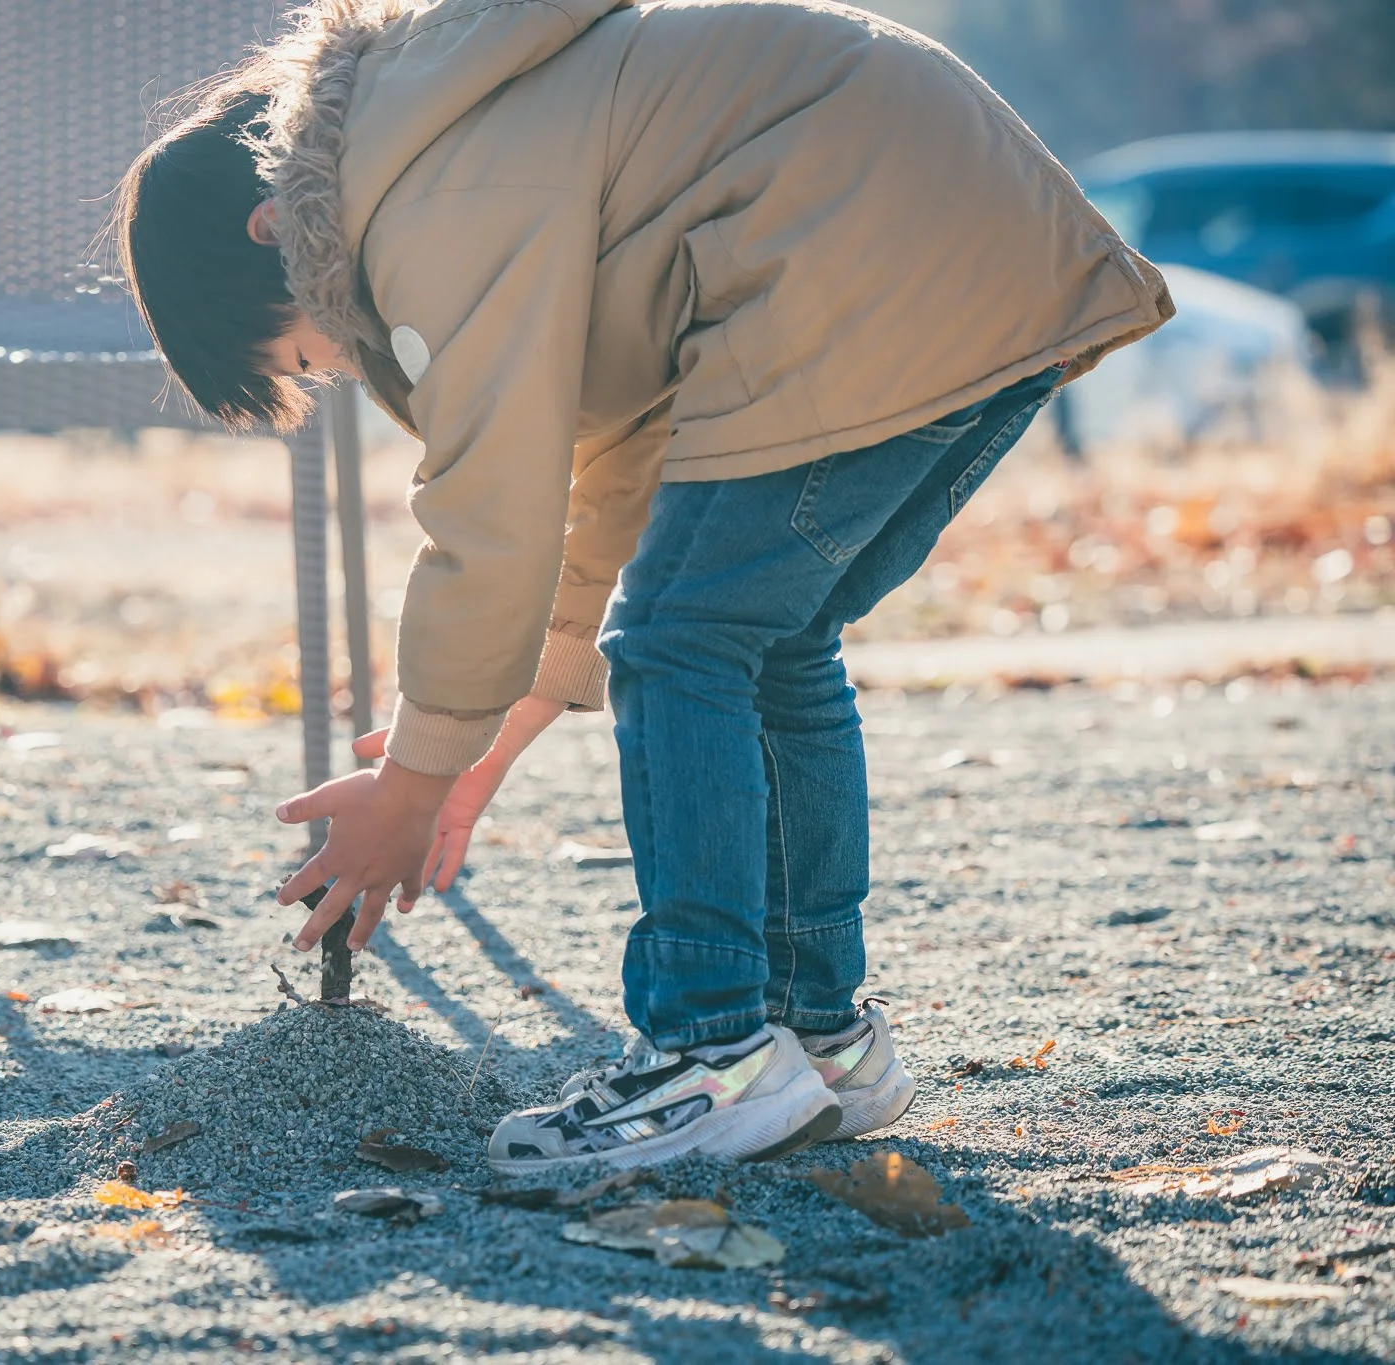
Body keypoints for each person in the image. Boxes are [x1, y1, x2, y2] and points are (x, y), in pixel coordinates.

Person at [115, 0, 1172, 1172]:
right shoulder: (453, 125)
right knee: (764, 640)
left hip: (857, 252)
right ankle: (816, 1041)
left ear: (275, 232)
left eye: (307, 354)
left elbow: (492, 510)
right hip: (960, 255)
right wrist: (481, 743)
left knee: (683, 644)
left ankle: (708, 1053)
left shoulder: (425, 199)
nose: (344, 367)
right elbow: (630, 456)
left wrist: (409, 789)